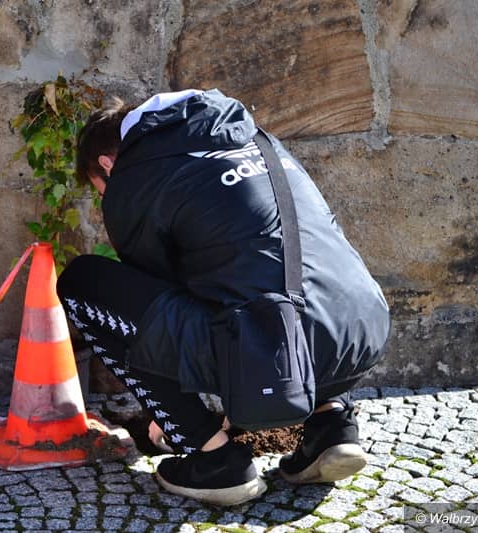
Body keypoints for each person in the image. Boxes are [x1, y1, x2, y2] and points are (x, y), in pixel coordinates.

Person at [56, 89, 391, 506]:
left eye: (100, 190)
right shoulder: (258, 139)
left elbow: (157, 299)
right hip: (364, 330)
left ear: (107, 165)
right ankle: (332, 427)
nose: (106, 199)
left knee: (82, 283)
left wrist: (168, 413)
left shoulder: (136, 177)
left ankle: (213, 459)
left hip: (274, 345)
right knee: (288, 280)